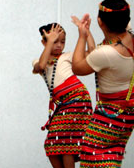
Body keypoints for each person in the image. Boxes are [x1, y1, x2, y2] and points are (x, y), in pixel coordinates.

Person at [72, 0, 134, 167]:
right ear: (126, 20)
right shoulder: (128, 35)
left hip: (118, 107)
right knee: (113, 146)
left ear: (100, 21)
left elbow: (78, 67)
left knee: (92, 149)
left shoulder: (106, 53)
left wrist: (82, 35)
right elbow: (123, 11)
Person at [32, 23, 93, 168]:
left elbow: (91, 53)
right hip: (63, 104)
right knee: (52, 144)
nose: (59, 45)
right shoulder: (40, 61)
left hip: (77, 99)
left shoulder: (68, 56)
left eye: (62, 41)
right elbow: (40, 66)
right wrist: (50, 42)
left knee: (66, 142)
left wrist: (86, 33)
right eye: (54, 41)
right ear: (44, 43)